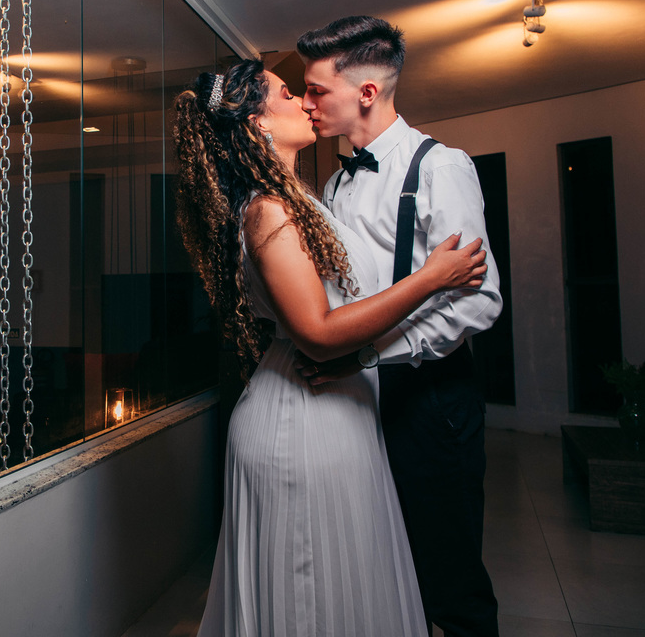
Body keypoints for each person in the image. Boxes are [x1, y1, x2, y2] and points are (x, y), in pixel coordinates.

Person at [173, 59, 488, 636]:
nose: (304, 102)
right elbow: (318, 333)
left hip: (338, 409)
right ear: (258, 124)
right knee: (309, 594)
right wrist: (430, 278)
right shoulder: (268, 211)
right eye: (287, 94)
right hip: (301, 418)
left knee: (343, 588)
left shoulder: (299, 199)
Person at [298, 16, 503, 637]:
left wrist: (370, 357)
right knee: (382, 563)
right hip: (355, 397)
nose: (306, 103)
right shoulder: (335, 181)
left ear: (366, 92)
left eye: (316, 91)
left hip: (431, 398)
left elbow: (479, 301)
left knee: (450, 577)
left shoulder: (441, 167)